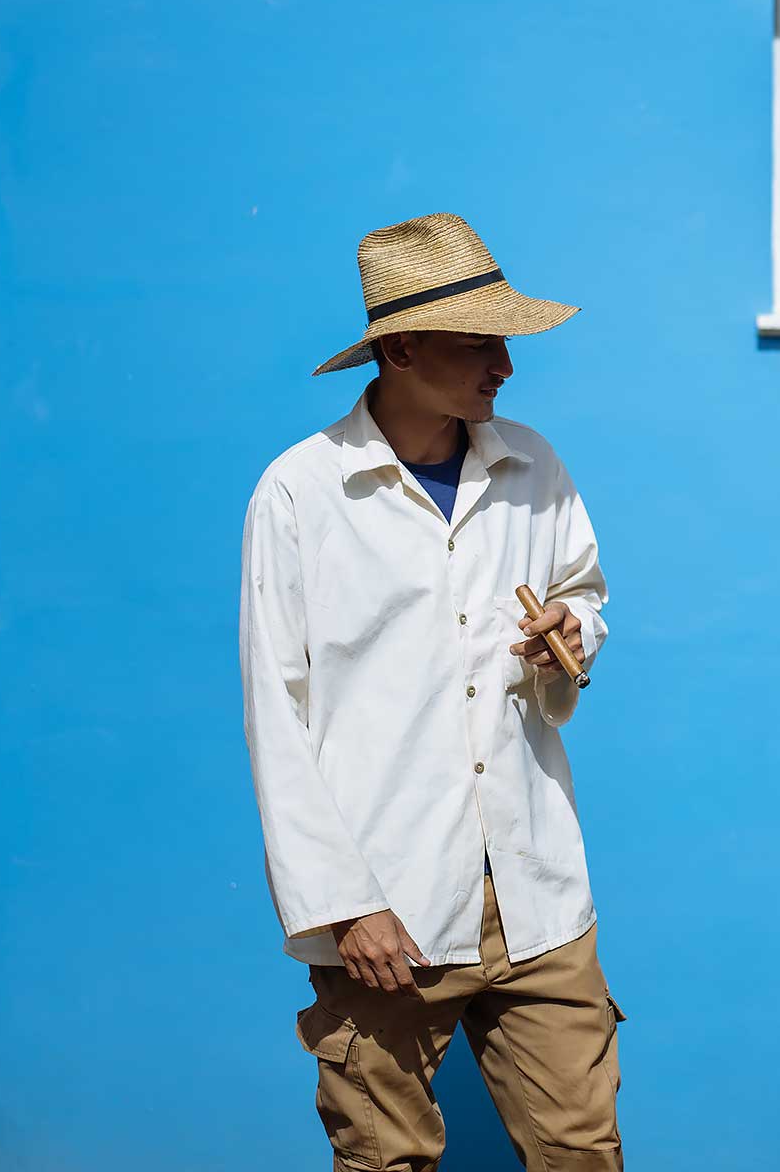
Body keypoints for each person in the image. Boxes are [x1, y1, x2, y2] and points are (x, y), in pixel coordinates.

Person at [239, 212, 624, 1170]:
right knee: (386, 1160)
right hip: (388, 907)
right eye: (480, 343)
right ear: (401, 348)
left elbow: (583, 595)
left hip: (537, 888)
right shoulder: (302, 492)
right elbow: (276, 715)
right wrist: (342, 903)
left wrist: (569, 634)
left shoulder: (534, 466)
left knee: (585, 1152)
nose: (506, 365)